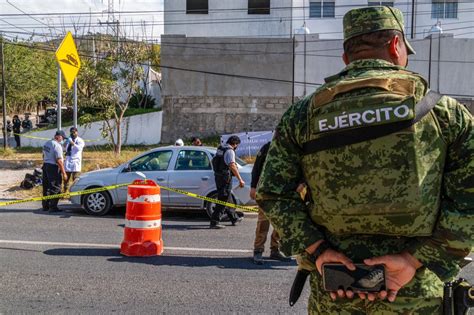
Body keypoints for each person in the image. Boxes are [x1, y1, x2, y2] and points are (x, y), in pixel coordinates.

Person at [256, 6, 473, 314]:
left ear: (346, 57)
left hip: (335, 287)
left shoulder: (302, 115)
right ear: (396, 46)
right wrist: (414, 260)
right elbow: (468, 200)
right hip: (415, 290)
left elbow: (272, 194)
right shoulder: (443, 113)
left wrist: (319, 251)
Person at [250, 141, 288, 264]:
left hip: (283, 191)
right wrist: (253, 187)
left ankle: (275, 250)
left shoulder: (291, 146)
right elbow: (256, 167)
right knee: (263, 222)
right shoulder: (268, 146)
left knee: (280, 223)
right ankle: (258, 250)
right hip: (266, 190)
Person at [210, 135, 245, 229]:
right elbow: (232, 166)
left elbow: (213, 161)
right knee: (223, 198)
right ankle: (214, 221)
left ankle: (234, 218)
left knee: (227, 197)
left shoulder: (220, 148)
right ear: (235, 144)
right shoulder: (229, 151)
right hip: (225, 178)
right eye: (237, 145)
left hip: (218, 177)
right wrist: (240, 179)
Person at [42, 130, 67, 212]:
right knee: (56, 187)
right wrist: (64, 173)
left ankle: (45, 206)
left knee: (46, 187)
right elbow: (59, 161)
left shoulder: (47, 143)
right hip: (53, 167)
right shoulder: (57, 146)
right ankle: (53, 207)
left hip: (45, 165)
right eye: (62, 138)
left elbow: (43, 155)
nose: (63, 140)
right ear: (59, 137)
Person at [63, 127, 85, 191]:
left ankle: (74, 192)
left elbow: (79, 149)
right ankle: (65, 191)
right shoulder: (69, 140)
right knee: (66, 179)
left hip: (76, 162)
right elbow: (64, 147)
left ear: (77, 132)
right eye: (71, 132)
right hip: (68, 161)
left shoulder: (80, 140)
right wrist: (66, 142)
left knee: (75, 179)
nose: (73, 133)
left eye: (74, 132)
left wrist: (72, 143)